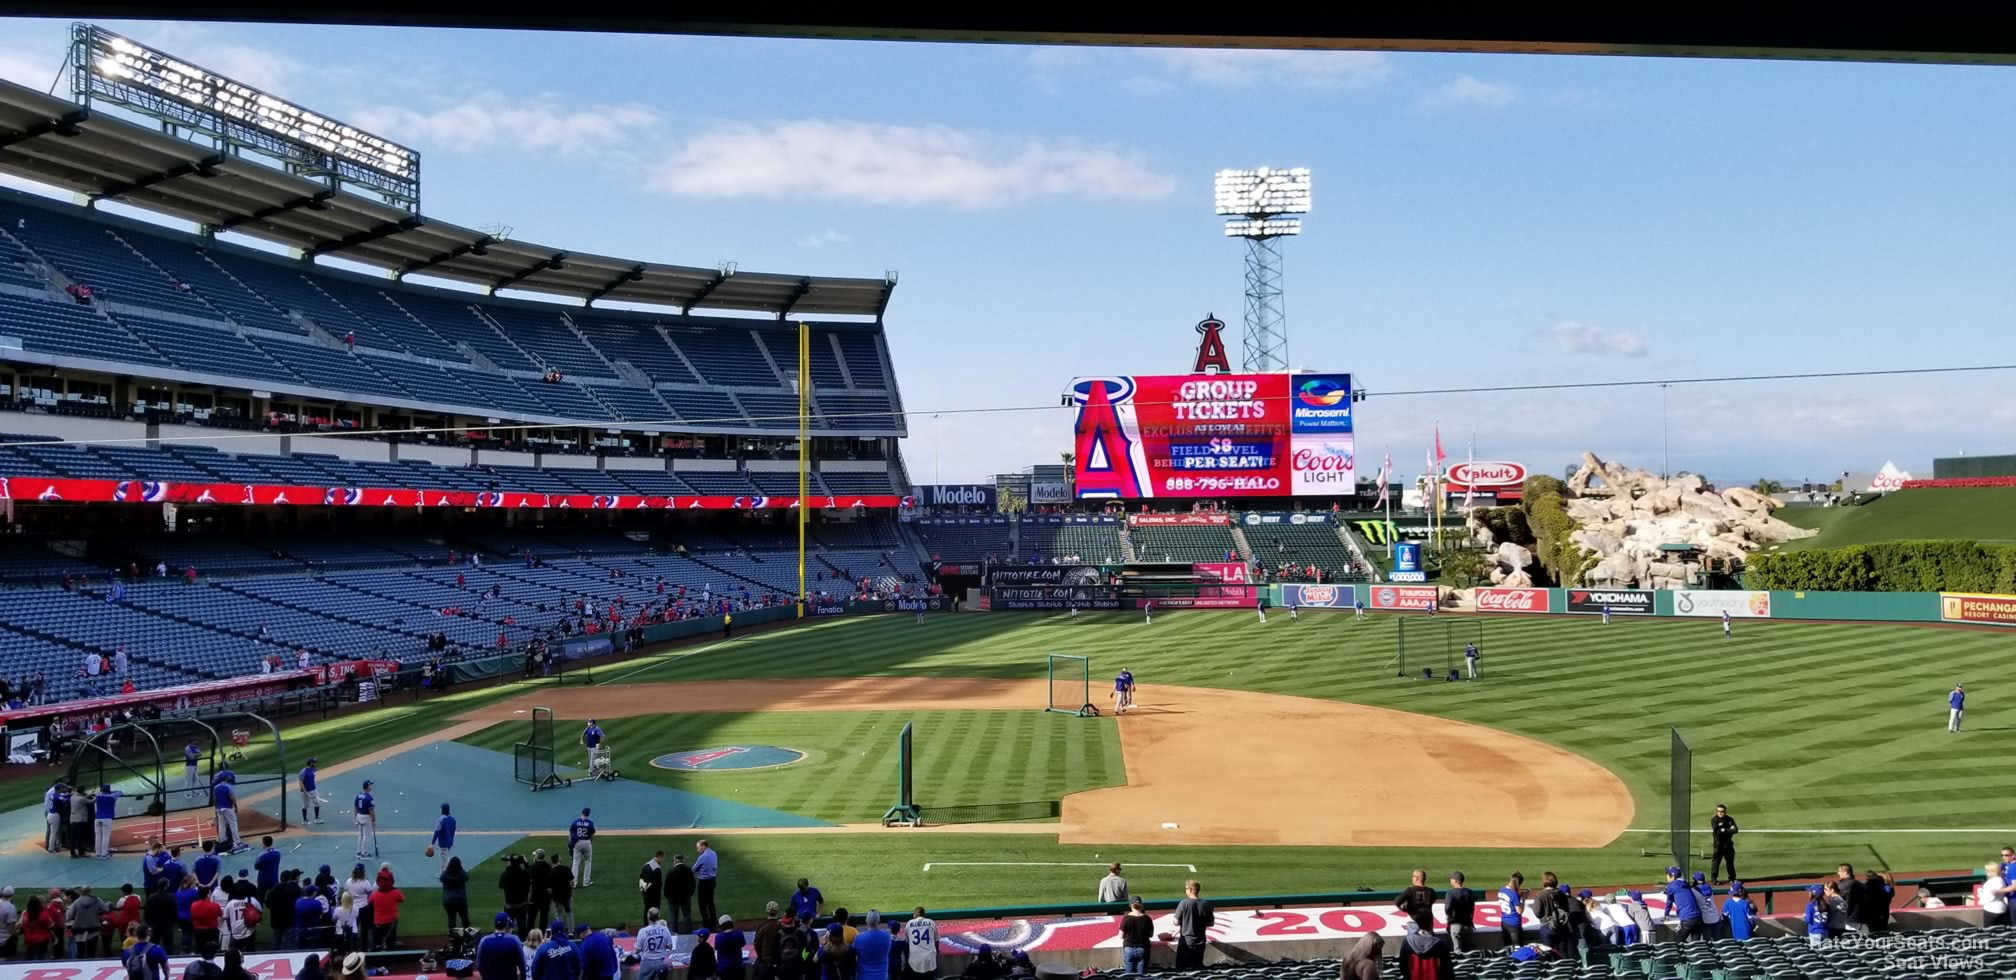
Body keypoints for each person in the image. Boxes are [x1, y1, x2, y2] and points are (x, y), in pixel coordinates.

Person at [1172, 880, 1212, 970]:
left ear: (1190, 890)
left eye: (1186, 888)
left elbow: (1176, 922)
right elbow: (1211, 923)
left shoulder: (1184, 903)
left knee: (1181, 969)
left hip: (1186, 941)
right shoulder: (1206, 904)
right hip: (1200, 941)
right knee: (1197, 968)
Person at [479, 913, 528, 980]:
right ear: (507, 925)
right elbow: (522, 966)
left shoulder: (484, 940)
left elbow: (480, 965)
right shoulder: (515, 940)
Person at [1661, 866, 1702, 942]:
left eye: (1667, 874)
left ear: (1672, 876)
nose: (1666, 876)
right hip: (1699, 917)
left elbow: (1669, 902)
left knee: (1677, 942)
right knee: (1696, 944)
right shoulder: (1685, 883)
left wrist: (1666, 914)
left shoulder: (1671, 886)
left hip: (1688, 918)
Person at [635, 910, 675, 980]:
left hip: (647, 962)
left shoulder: (642, 931)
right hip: (661, 961)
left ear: (648, 917)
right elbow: (670, 947)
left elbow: (638, 950)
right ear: (658, 917)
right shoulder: (665, 929)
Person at [850, 911, 889, 980]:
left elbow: (852, 954)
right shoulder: (887, 935)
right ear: (879, 921)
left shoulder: (859, 938)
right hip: (882, 976)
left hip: (864, 977)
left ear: (866, 921)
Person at [1117, 897, 1152, 975]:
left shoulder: (1126, 919)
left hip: (1128, 948)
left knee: (1129, 975)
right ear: (1141, 906)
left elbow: (1121, 935)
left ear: (1130, 905)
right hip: (1143, 948)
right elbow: (1151, 934)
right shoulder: (1147, 919)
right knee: (1142, 975)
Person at [1443, 871, 1475, 952]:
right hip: (1468, 925)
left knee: (1458, 952)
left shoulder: (1450, 893)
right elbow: (1472, 908)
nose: (1450, 880)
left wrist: (1449, 921)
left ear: (1456, 881)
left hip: (1455, 925)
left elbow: (1448, 908)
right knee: (1470, 951)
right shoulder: (1469, 892)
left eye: (1451, 879)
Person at [905, 907, 937, 980]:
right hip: (930, 959)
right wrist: (936, 951)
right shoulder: (931, 922)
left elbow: (907, 941)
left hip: (915, 960)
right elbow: (937, 940)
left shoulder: (909, 923)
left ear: (915, 914)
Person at [1709, 805, 1739, 883]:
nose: (1720, 813)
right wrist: (1729, 830)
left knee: (1730, 862)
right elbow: (1718, 832)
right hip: (1718, 845)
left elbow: (1735, 830)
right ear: (1716, 812)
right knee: (1716, 862)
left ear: (1725, 812)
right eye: (1719, 811)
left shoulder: (1730, 819)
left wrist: (1724, 830)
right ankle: (1714, 878)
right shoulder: (1714, 820)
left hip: (1728, 844)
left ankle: (1732, 878)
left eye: (1722, 811)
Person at [440, 856, 471, 931]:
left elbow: (441, 878)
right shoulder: (461, 874)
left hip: (448, 900)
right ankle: (467, 936)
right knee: (464, 918)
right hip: (460, 899)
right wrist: (460, 868)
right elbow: (466, 877)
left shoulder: (445, 874)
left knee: (451, 918)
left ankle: (452, 937)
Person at [694, 840, 720, 928]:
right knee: (710, 902)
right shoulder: (714, 854)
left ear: (703, 846)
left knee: (702, 903)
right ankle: (713, 922)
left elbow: (693, 869)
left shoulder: (703, 857)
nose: (698, 850)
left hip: (704, 882)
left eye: (698, 847)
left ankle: (706, 923)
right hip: (712, 880)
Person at [92, 782, 121, 859]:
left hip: (97, 818)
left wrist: (105, 791)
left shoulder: (98, 796)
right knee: (105, 837)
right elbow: (120, 792)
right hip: (107, 818)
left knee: (98, 836)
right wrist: (110, 792)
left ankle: (98, 853)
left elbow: (99, 793)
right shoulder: (112, 796)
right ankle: (104, 854)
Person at [1496, 873, 1525, 948]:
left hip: (1504, 922)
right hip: (1514, 924)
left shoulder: (1501, 890)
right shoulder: (1514, 894)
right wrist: (1523, 899)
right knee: (1517, 948)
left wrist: (1519, 896)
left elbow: (1509, 901)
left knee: (1507, 947)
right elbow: (1519, 911)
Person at [570, 808, 596, 888]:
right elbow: (592, 833)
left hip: (577, 843)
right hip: (586, 842)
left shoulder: (575, 822)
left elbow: (571, 833)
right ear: (588, 814)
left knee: (575, 862)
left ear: (582, 812)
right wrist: (590, 842)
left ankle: (574, 882)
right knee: (588, 862)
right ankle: (586, 881)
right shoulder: (590, 823)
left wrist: (571, 844)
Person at [717, 915, 748, 980]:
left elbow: (717, 948)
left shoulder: (718, 937)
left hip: (724, 969)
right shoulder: (739, 934)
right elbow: (743, 944)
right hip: (737, 968)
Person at [353, 781, 378, 858]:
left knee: (360, 835)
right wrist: (373, 819)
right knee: (366, 835)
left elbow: (355, 807)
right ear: (368, 786)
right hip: (366, 817)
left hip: (359, 816)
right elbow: (371, 810)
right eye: (370, 785)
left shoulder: (359, 795)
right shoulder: (369, 798)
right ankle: (364, 852)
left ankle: (359, 851)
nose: (371, 786)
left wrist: (355, 817)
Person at [639, 852, 666, 922]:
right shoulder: (656, 868)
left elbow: (641, 878)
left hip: (645, 893)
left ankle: (646, 925)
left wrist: (643, 890)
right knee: (654, 911)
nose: (662, 860)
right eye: (662, 858)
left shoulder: (646, 865)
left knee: (647, 910)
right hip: (654, 895)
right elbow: (658, 883)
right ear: (659, 857)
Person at [432, 804, 458, 871]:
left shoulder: (440, 819)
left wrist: (432, 843)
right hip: (450, 841)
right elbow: (454, 829)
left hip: (443, 841)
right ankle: (443, 871)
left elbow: (437, 832)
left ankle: (444, 873)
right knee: (445, 856)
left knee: (445, 857)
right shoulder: (452, 819)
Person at [300, 759, 323, 825]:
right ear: (311, 763)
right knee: (306, 805)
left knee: (317, 803)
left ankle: (317, 819)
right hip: (305, 791)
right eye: (314, 763)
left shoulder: (313, 769)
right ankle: (304, 820)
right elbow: (300, 782)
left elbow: (314, 770)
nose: (315, 764)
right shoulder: (303, 771)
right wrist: (306, 792)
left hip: (313, 790)